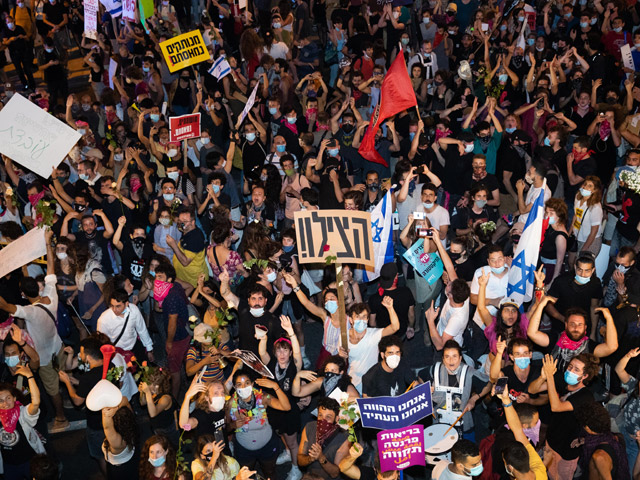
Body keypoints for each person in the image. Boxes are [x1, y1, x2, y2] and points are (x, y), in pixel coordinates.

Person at [528, 354, 599, 479]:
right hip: (551, 439)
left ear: (585, 376)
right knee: (547, 473)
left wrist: (550, 377)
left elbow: (556, 407)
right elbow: (532, 390)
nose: (570, 371)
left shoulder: (585, 396)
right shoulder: (562, 379)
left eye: (576, 369)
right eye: (570, 366)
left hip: (567, 448)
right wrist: (543, 377)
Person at [227, 372, 291, 479]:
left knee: (270, 472)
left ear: (252, 384)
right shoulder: (230, 404)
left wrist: (276, 387)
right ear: (234, 387)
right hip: (244, 449)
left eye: (247, 383)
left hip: (267, 446)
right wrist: (233, 425)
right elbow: (226, 427)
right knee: (247, 476)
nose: (243, 387)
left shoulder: (263, 398)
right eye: (239, 384)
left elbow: (286, 407)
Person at [0, 369, 45, 480]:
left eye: (8, 398)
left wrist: (30, 376)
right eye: (0, 400)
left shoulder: (22, 412)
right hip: (9, 465)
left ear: (15, 399)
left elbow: (35, 403)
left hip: (30, 461)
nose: (5, 403)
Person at [297, 397, 350, 480]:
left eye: (328, 417)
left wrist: (321, 457)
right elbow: (300, 460)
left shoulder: (344, 438)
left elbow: (335, 474)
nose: (323, 420)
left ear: (336, 419)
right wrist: (310, 458)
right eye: (320, 415)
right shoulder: (309, 427)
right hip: (311, 476)